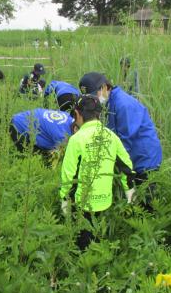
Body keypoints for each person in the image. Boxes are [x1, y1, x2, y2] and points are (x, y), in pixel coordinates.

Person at [60, 95, 135, 250]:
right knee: (99, 237)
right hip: (105, 202)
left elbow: (69, 174)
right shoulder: (111, 136)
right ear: (99, 114)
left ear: (78, 113)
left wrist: (65, 199)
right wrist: (130, 191)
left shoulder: (77, 139)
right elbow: (125, 167)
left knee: (82, 243)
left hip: (82, 203)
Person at [79, 72, 161, 211]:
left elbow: (125, 141)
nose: (95, 100)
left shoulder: (123, 104)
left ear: (105, 87)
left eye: (95, 95)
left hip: (144, 159)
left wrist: (106, 163)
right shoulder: (110, 103)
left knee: (146, 204)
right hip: (132, 159)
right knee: (134, 202)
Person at [10, 108, 75, 163]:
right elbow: (63, 158)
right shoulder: (62, 136)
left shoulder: (70, 117)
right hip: (19, 127)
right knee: (30, 161)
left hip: (22, 118)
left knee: (44, 155)